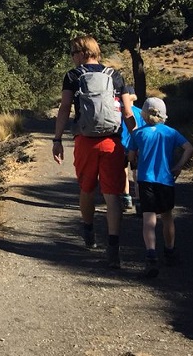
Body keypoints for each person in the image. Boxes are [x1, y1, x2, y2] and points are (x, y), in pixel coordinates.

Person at [52, 35, 129, 268]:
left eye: (73, 53)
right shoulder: (115, 75)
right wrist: (137, 140)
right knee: (112, 195)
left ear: (83, 53)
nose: (72, 58)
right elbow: (127, 112)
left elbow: (65, 108)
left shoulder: (72, 76)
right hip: (112, 142)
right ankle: (113, 248)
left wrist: (57, 139)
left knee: (86, 188)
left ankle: (89, 231)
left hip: (85, 141)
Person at [123, 96, 193, 278]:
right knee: (167, 217)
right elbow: (189, 148)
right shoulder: (170, 133)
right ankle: (169, 251)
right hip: (165, 180)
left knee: (149, 219)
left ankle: (151, 255)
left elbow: (131, 157)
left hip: (146, 181)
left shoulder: (138, 134)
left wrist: (136, 159)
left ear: (144, 115)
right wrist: (178, 166)